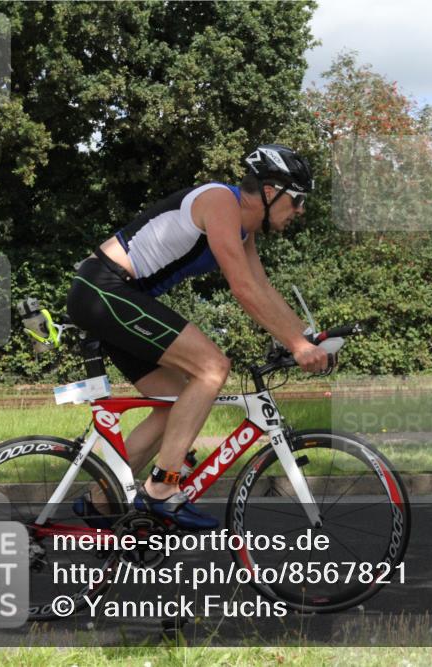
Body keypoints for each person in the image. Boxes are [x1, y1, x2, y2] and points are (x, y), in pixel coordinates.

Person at [65, 144, 328, 530]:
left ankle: (101, 501)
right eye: (298, 198)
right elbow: (242, 288)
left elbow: (263, 289)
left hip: (118, 297)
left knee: (176, 401)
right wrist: (297, 345)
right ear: (271, 191)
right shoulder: (221, 202)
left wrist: (307, 338)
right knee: (212, 367)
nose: (301, 209)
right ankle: (162, 488)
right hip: (104, 289)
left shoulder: (244, 228)